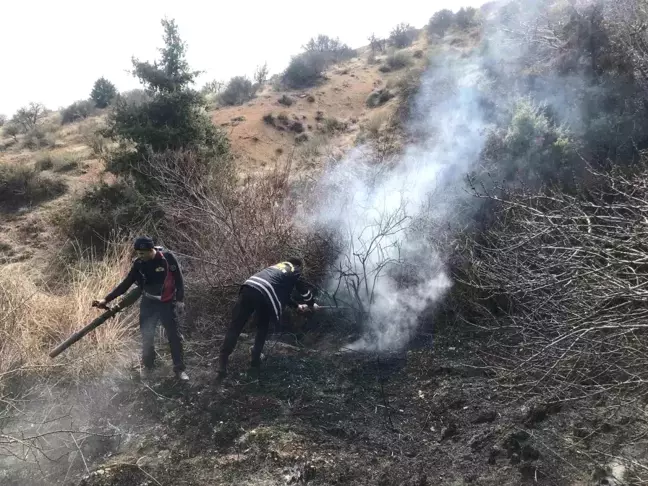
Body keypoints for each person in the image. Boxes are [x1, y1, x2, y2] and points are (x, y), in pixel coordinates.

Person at [92, 236, 189, 381]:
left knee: (174, 336)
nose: (140, 256)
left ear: (151, 250)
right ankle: (149, 367)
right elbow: (126, 284)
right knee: (147, 336)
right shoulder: (139, 264)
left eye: (143, 253)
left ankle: (179, 370)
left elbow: (179, 279)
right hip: (148, 303)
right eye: (138, 253)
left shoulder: (167, 258)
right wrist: (106, 299)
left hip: (167, 303)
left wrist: (180, 300)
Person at [217, 257, 319, 380]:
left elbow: (282, 295)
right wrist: (312, 304)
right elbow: (303, 290)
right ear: (298, 266)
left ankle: (222, 362)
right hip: (264, 294)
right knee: (262, 327)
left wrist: (297, 306)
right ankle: (255, 361)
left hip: (248, 287)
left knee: (236, 326)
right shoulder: (294, 269)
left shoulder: (275, 268)